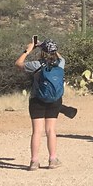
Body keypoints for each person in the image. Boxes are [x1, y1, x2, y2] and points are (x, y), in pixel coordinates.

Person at [15, 38, 75, 170]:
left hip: (37, 99)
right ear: (55, 51)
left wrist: (28, 49)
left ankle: (34, 161)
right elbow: (59, 56)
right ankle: (52, 159)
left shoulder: (36, 65)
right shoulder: (61, 63)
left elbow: (18, 63)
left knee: (37, 131)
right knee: (51, 130)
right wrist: (48, 47)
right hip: (54, 101)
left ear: (42, 52)